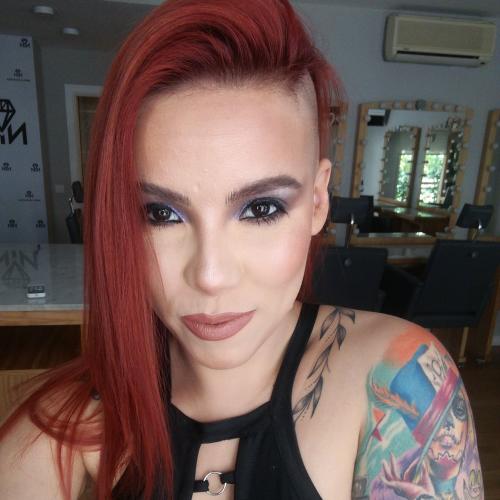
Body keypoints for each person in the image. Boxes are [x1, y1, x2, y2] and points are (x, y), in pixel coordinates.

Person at [0, 0, 483, 499]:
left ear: (317, 202)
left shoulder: (400, 383)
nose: (211, 275)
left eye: (260, 209)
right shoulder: (59, 427)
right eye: (161, 214)